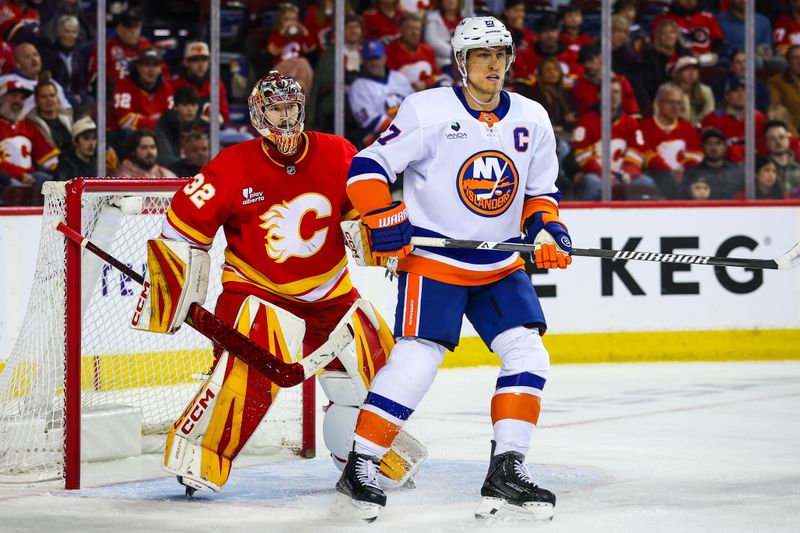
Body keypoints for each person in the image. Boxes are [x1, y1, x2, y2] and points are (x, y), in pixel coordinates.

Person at [142, 71, 424, 498]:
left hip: (331, 292)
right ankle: (200, 453)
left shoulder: (338, 151)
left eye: (291, 107)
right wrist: (171, 289)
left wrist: (376, 233)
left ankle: (361, 456)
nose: (286, 117)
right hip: (256, 291)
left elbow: (359, 211)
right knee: (252, 368)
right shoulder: (232, 165)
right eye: (276, 109)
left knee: (379, 368)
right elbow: (181, 229)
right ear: (259, 114)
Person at [337, 16, 565, 522]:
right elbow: (368, 167)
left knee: (529, 354)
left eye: (500, 54)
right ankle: (361, 463)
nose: (493, 64)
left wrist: (548, 231)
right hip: (435, 261)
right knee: (418, 359)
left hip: (501, 262)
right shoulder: (427, 110)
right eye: (481, 55)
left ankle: (507, 467)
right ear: (461, 62)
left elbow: (539, 195)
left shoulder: (532, 118)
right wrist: (381, 214)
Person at [572, 77, 656, 201]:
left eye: (616, 92)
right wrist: (605, 174)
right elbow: (584, 156)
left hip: (624, 175)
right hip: (597, 176)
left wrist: (626, 173)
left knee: (646, 182)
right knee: (592, 182)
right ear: (600, 95)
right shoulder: (585, 121)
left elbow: (637, 153)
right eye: (609, 92)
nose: (613, 96)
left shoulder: (630, 123)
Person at [638, 82, 703, 199]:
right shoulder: (644, 127)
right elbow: (646, 154)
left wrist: (684, 172)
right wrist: (669, 171)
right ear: (659, 103)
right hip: (656, 176)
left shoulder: (687, 128)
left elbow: (695, 155)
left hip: (685, 176)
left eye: (678, 103)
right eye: (670, 102)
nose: (675, 107)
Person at [348, 39, 414, 147]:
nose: (374, 63)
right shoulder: (358, 86)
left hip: (407, 132)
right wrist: (404, 132)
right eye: (370, 59)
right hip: (379, 139)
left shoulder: (399, 78)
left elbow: (414, 106)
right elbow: (371, 122)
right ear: (364, 62)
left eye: (377, 58)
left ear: (384, 58)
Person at [0, 78, 58, 189]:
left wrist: (60, 170)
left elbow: (46, 154)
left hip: (31, 177)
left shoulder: (28, 125)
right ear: (2, 98)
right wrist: (20, 175)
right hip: (5, 178)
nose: (18, 101)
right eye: (14, 96)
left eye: (22, 98)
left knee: (52, 182)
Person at [702, 75, 767, 164]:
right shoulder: (712, 119)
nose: (740, 94)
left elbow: (763, 147)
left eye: (744, 90)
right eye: (735, 90)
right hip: (722, 167)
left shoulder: (759, 118)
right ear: (727, 95)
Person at [111, 47, 174, 131]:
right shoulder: (124, 86)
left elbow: (172, 121)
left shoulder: (167, 88)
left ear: (160, 69)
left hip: (157, 135)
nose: (151, 70)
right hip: (126, 137)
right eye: (146, 64)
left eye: (155, 65)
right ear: (139, 67)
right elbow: (125, 121)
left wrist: (141, 120)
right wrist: (157, 123)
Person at [0, 42, 71, 114]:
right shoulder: (7, 81)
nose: (34, 60)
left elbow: (67, 109)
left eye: (36, 55)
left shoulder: (52, 83)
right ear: (17, 63)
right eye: (27, 57)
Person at [651, 0, 727, 66]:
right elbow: (658, 46)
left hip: (707, 64)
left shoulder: (708, 18)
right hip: (676, 65)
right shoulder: (663, 20)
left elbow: (719, 42)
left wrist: (714, 55)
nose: (689, 0)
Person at [88, 10, 154, 87]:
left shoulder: (148, 47)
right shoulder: (104, 49)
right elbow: (92, 79)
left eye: (136, 27)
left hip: (143, 95)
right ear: (119, 29)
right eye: (128, 27)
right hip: (115, 95)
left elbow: (163, 75)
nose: (133, 31)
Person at [171, 41, 230, 126]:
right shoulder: (175, 84)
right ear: (186, 62)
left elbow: (225, 116)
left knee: (244, 137)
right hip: (184, 131)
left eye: (204, 60)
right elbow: (171, 114)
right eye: (195, 60)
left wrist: (218, 117)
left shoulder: (216, 84)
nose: (200, 64)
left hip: (212, 131)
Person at [386, 12, 448, 91]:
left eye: (417, 29)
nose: (414, 32)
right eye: (410, 29)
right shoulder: (390, 51)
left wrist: (426, 83)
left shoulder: (428, 50)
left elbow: (437, 75)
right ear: (400, 30)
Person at [266, 3, 315, 99]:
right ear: (280, 21)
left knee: (302, 64)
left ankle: (299, 94)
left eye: (293, 20)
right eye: (286, 20)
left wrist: (305, 33)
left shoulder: (299, 36)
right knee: (303, 62)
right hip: (281, 68)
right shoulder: (276, 35)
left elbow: (311, 48)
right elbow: (273, 51)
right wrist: (283, 34)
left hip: (297, 71)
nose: (290, 22)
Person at [40, 14, 89, 108]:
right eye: (67, 32)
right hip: (57, 95)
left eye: (74, 32)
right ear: (59, 33)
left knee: (89, 101)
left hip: (76, 96)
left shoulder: (78, 56)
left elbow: (81, 82)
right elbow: (49, 80)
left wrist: (80, 95)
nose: (71, 36)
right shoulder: (48, 54)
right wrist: (67, 95)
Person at [155, 85, 208, 170]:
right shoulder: (164, 127)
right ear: (175, 107)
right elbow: (165, 159)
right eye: (185, 105)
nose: (190, 109)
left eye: (193, 105)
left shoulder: (204, 127)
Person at [684, 127, 744, 199]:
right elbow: (682, 200)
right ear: (702, 148)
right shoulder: (692, 173)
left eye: (718, 143)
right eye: (709, 143)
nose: (713, 147)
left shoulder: (737, 172)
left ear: (725, 147)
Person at [26, 77, 73, 154]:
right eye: (44, 97)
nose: (49, 100)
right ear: (36, 100)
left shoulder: (68, 117)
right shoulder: (31, 123)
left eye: (52, 95)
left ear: (57, 98)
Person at [670, 55, 714, 125]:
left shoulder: (706, 91)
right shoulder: (669, 92)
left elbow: (708, 115)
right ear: (678, 73)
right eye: (686, 69)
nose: (691, 72)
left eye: (694, 69)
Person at [423, 0, 463, 77]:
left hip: (463, 60)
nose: (450, 1)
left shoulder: (464, 19)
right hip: (443, 62)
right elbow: (431, 40)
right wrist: (453, 53)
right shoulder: (432, 17)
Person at [768, 44, 800, 136]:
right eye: (795, 58)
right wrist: (796, 140)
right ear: (788, 61)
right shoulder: (775, 82)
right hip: (792, 132)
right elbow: (776, 112)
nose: (799, 61)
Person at [763, 120, 800, 197]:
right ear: (766, 142)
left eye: (782, 137)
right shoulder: (760, 169)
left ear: (788, 139)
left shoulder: (798, 168)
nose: (778, 142)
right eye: (772, 139)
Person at [54, 116, 96, 181]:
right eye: (86, 138)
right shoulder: (66, 166)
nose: (91, 143)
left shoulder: (98, 163)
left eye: (94, 138)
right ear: (75, 141)